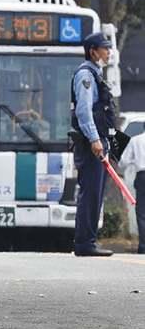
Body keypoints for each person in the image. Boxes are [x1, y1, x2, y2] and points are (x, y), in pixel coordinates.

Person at [70, 32, 116, 257]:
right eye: (104, 48)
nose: (108, 52)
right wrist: (95, 139)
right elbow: (83, 111)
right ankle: (85, 243)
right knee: (90, 192)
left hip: (98, 142)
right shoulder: (86, 76)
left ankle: (88, 241)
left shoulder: (95, 75)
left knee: (95, 193)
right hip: (92, 145)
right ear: (93, 51)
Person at [120, 121, 145, 253]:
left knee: (142, 213)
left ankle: (143, 246)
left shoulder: (136, 140)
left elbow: (124, 161)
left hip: (142, 176)